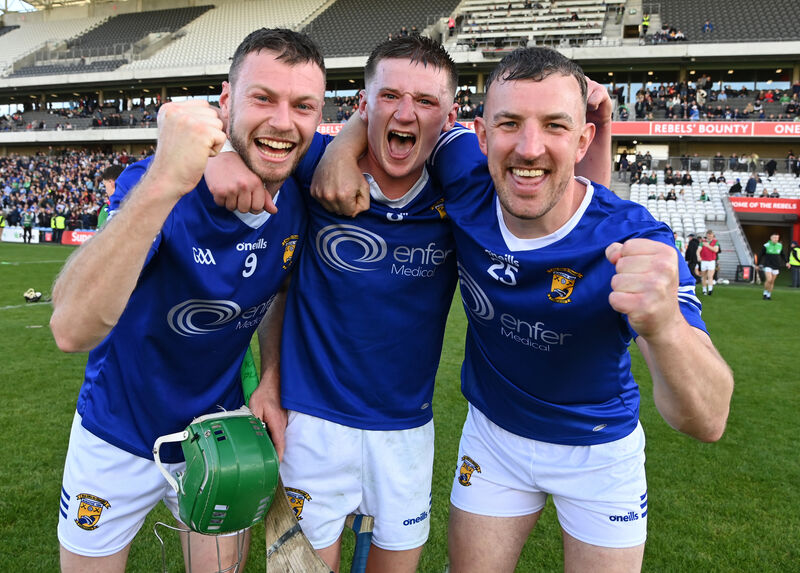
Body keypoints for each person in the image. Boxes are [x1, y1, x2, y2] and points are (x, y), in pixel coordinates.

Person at [312, 46, 732, 572]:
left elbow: (709, 420)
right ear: (482, 136)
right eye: (510, 123)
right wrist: (340, 149)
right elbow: (399, 114)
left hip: (598, 448)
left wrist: (666, 326)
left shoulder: (633, 238)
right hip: (494, 438)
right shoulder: (465, 176)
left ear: (583, 141)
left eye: (555, 126)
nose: (529, 148)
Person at [209, 38, 613, 573]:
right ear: (362, 104)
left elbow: (569, 221)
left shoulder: (465, 189)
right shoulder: (311, 169)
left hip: (405, 432)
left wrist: (601, 130)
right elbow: (237, 127)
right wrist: (220, 156)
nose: (405, 113)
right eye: (390, 96)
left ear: (449, 119)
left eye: (424, 101)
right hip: (310, 426)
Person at [49, 28, 326, 573]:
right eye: (262, 98)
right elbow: (70, 329)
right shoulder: (157, 184)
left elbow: (280, 291)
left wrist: (269, 381)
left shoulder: (297, 191)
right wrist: (171, 177)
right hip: (116, 430)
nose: (282, 121)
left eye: (303, 106)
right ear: (226, 102)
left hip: (218, 435)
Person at [756, 233, 789, 300]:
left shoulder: (780, 245)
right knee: (769, 279)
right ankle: (765, 293)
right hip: (767, 265)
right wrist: (757, 264)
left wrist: (786, 262)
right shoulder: (766, 245)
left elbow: (783, 255)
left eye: (777, 238)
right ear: (771, 238)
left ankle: (769, 295)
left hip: (776, 266)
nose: (776, 239)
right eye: (774, 238)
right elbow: (760, 255)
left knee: (772, 282)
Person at [96, 164, 125, 229]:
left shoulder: (106, 209)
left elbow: (102, 238)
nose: (106, 190)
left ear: (111, 182)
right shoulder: (137, 201)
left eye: (105, 185)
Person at [698, 230, 720, 295]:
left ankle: (710, 290)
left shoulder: (716, 242)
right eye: (708, 234)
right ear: (707, 235)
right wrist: (698, 256)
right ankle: (704, 290)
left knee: (710, 276)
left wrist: (708, 246)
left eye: (711, 235)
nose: (709, 236)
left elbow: (716, 250)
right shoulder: (702, 242)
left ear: (713, 235)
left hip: (711, 261)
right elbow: (698, 250)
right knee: (704, 276)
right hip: (704, 261)